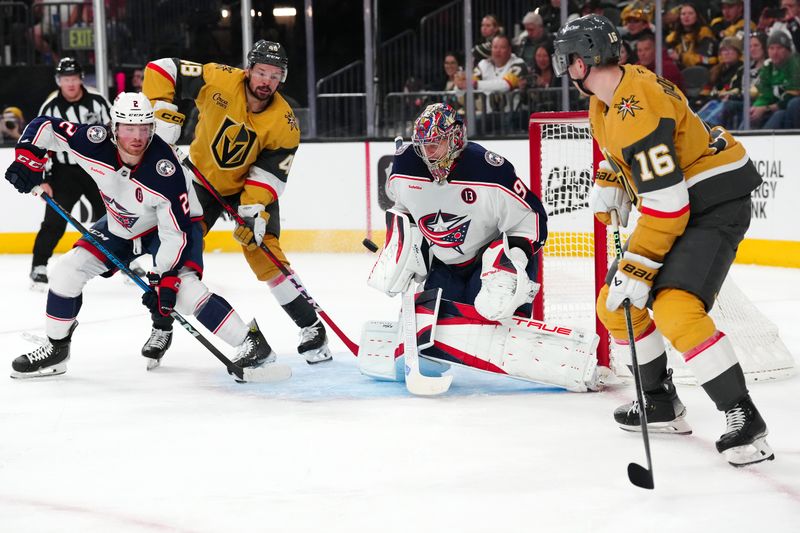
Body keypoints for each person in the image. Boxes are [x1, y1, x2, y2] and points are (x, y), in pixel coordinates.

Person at [553, 14, 773, 466]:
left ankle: (744, 418)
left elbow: (668, 205)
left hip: (714, 203)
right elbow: (644, 153)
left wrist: (639, 264)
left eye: (570, 58)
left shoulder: (636, 106)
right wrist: (613, 176)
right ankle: (658, 402)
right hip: (683, 202)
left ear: (588, 57)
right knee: (615, 305)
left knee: (674, 307)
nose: (565, 66)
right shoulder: (609, 96)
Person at [3, 93, 276, 377]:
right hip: (119, 224)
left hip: (171, 230)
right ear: (114, 128)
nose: (136, 137)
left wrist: (164, 280)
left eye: (144, 129)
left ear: (152, 129)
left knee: (182, 293)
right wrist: (28, 160)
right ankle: (56, 349)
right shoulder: (93, 140)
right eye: (128, 128)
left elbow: (175, 233)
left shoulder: (165, 170)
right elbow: (44, 126)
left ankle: (250, 342)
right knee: (67, 270)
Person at [141, 40, 332, 365]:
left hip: (247, 187)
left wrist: (253, 210)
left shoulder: (285, 123)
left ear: (281, 78)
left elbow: (270, 173)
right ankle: (162, 326)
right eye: (261, 72)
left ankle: (312, 328)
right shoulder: (219, 79)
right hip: (199, 181)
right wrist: (160, 113)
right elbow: (162, 68)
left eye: (274, 75)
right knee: (175, 253)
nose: (266, 81)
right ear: (249, 70)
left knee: (264, 253)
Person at [364, 103, 579, 388]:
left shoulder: (488, 169)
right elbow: (404, 208)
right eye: (422, 145)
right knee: (435, 334)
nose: (427, 154)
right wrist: (406, 248)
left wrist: (514, 261)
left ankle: (514, 311)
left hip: (485, 261)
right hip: (445, 263)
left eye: (435, 144)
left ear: (454, 139)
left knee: (494, 307)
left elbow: (530, 216)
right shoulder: (405, 165)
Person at [30, 57, 110, 290]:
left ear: (81, 79)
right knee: (54, 221)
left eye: (74, 78)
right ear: (59, 81)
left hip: (95, 170)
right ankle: (38, 266)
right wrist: (43, 179)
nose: (70, 84)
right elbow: (39, 144)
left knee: (113, 219)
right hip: (64, 173)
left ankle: (126, 262)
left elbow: (114, 135)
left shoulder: (98, 102)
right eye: (66, 79)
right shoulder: (49, 108)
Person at [750, 31, 800, 129]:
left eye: (779, 48)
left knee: (783, 111)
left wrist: (765, 109)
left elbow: (792, 96)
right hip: (776, 107)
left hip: (789, 107)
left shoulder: (795, 65)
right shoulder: (768, 67)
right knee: (749, 115)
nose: (775, 52)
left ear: (788, 50)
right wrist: (756, 108)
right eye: (771, 48)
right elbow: (765, 95)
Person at [665, 3, 719, 69]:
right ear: (680, 17)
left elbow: (703, 60)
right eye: (683, 14)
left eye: (690, 13)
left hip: (699, 72)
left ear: (697, 16)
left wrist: (681, 57)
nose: (686, 16)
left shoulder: (704, 34)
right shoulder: (672, 38)